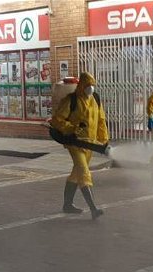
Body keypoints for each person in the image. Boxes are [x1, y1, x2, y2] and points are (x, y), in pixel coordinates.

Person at [51, 72, 109, 220]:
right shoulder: (72, 100)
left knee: (76, 174)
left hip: (89, 143)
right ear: (82, 85)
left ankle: (67, 205)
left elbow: (101, 120)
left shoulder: (95, 99)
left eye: (92, 85)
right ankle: (93, 208)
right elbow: (57, 119)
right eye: (88, 85)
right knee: (84, 172)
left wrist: (104, 139)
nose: (91, 88)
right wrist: (73, 127)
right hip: (75, 143)